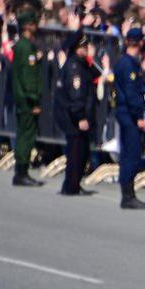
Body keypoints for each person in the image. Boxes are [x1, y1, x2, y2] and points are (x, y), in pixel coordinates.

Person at [53, 32, 97, 196]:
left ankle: (74, 183)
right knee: (76, 152)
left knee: (81, 151)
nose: (87, 49)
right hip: (75, 117)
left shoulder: (82, 64)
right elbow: (76, 94)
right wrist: (80, 117)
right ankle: (71, 185)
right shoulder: (75, 67)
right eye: (84, 46)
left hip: (77, 115)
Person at [114, 28, 145, 209]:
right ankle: (128, 195)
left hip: (126, 112)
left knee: (129, 153)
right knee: (131, 154)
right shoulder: (128, 65)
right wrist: (139, 116)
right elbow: (131, 93)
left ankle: (128, 193)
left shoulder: (125, 62)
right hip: (129, 114)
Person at [9, 10, 45, 186]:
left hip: (23, 97)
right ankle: (21, 172)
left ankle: (21, 171)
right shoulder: (25, 47)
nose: (35, 26)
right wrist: (33, 99)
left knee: (25, 133)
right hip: (27, 99)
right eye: (33, 23)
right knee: (26, 135)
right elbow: (28, 77)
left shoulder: (25, 46)